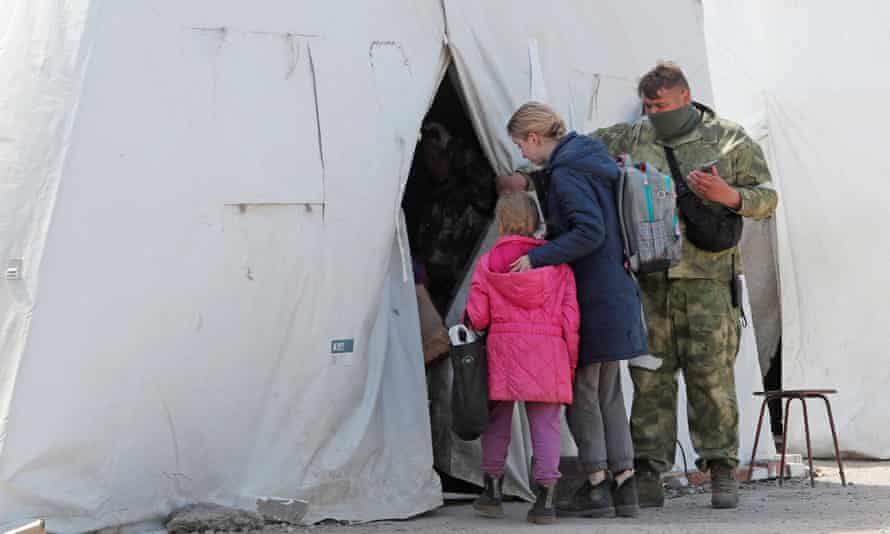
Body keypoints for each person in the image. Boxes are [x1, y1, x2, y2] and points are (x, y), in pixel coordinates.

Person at [594, 61, 779, 509]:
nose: (653, 112)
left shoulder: (728, 139)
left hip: (708, 283)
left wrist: (729, 196)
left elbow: (767, 198)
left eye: (661, 104)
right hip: (652, 283)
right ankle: (649, 475)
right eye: (648, 105)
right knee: (649, 379)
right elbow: (582, 153)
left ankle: (721, 472)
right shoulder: (635, 136)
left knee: (711, 381)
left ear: (684, 96)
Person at [508, 102, 648, 518]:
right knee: (609, 393)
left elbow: (590, 230)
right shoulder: (593, 159)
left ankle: (596, 485)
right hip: (618, 290)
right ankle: (626, 488)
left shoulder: (568, 173)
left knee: (582, 393)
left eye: (520, 144)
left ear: (535, 138)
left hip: (591, 295)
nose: (521, 154)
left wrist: (538, 257)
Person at [464, 192, 580, 525]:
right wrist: (569, 363)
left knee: (497, 421)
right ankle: (545, 499)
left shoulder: (488, 264)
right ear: (535, 222)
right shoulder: (557, 264)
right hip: (549, 351)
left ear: (500, 222)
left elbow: (479, 317)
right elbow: (571, 321)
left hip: (503, 351)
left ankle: (492, 491)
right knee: (545, 425)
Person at [404, 122, 497, 316]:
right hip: (433, 295)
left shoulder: (470, 193)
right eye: (429, 156)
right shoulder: (426, 197)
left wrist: (450, 144)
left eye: (440, 154)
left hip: (463, 292)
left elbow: (485, 176)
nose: (435, 161)